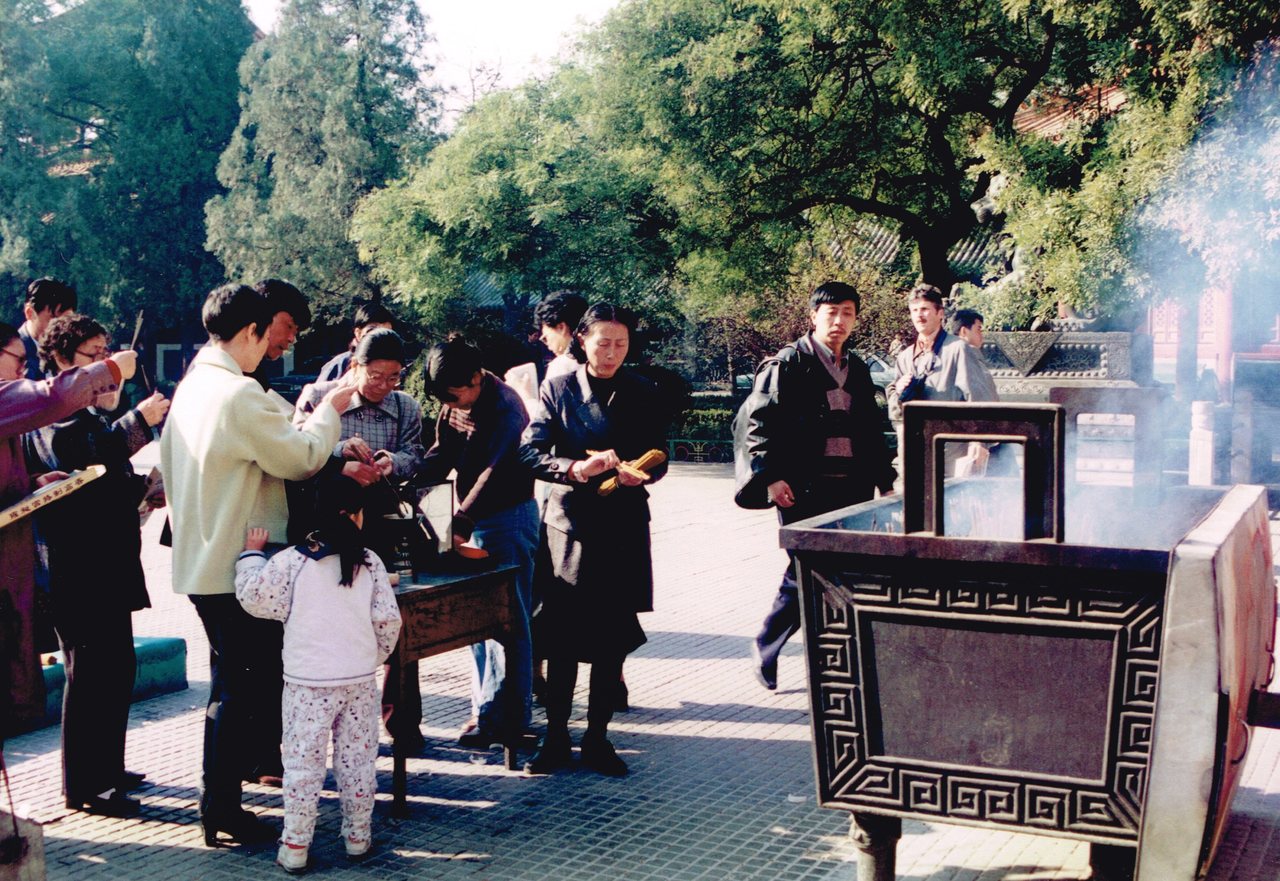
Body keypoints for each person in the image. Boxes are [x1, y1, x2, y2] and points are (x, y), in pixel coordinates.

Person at [160, 283, 351, 846]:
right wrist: (330, 412)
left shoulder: (192, 386)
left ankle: (220, 802)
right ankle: (220, 808)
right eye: (267, 336)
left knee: (231, 685)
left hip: (204, 562)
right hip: (241, 567)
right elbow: (302, 458)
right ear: (250, 331)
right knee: (241, 691)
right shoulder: (237, 394)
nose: (271, 347)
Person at [25, 314, 169, 816]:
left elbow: (102, 480)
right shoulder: (54, 414)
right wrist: (140, 422)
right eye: (95, 356)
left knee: (116, 668)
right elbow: (88, 461)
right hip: (78, 571)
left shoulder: (84, 415)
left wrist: (142, 490)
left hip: (104, 566)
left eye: (109, 353)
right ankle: (87, 786)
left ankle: (108, 767)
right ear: (64, 361)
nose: (108, 368)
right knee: (90, 675)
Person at [518, 303, 669, 777]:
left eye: (621, 344)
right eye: (603, 343)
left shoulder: (643, 390)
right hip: (571, 527)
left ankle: (598, 738)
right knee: (562, 639)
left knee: (610, 641)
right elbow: (530, 451)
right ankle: (555, 736)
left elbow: (659, 454)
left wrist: (642, 473)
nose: (612, 353)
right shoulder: (559, 387)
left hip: (623, 525)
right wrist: (575, 468)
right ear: (581, 340)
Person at [733, 281, 896, 691]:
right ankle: (766, 645)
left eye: (847, 313)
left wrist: (886, 483)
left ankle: (831, 656)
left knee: (842, 571)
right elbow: (758, 424)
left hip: (852, 487)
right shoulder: (789, 363)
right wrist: (770, 477)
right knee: (805, 569)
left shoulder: (858, 368)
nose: (839, 321)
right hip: (803, 487)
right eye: (831, 313)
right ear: (813, 317)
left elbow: (871, 431)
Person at [236, 475, 401, 874]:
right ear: (355, 516)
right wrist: (370, 657)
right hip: (359, 681)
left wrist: (251, 556)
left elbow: (255, 599)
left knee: (303, 764)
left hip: (307, 684)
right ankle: (358, 838)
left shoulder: (291, 561)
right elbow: (387, 621)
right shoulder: (370, 561)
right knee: (358, 761)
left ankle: (295, 845)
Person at [0, 323, 135, 737]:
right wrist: (111, 370)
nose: (22, 372)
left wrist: (31, 485)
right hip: (69, 565)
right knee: (90, 674)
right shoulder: (33, 405)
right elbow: (53, 397)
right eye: (16, 361)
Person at [293, 328, 425, 748]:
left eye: (394, 377)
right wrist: (338, 457)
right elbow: (295, 451)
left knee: (395, 616)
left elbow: (415, 454)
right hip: (328, 522)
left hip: (383, 522)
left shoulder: (405, 407)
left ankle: (403, 723)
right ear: (355, 367)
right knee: (334, 619)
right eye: (375, 376)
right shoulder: (320, 397)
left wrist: (391, 463)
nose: (384, 386)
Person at [421, 337, 537, 748]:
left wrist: (461, 522)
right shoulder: (454, 400)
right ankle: (485, 712)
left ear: (476, 378)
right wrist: (409, 488)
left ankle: (509, 720)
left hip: (508, 517)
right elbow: (442, 454)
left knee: (510, 622)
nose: (451, 405)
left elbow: (494, 471)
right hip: (475, 517)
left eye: (455, 396)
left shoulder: (506, 407)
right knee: (478, 621)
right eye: (444, 399)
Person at [888, 284, 998, 477]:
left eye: (925, 309)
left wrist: (979, 441)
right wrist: (898, 391)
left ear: (940, 313)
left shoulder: (959, 349)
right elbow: (895, 411)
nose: (919, 315)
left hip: (951, 453)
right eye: (914, 310)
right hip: (914, 454)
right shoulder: (905, 357)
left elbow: (980, 397)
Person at [503, 291, 588, 415]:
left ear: (561, 327)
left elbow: (546, 419)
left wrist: (525, 395)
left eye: (546, 337)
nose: (547, 344)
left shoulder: (563, 365)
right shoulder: (597, 358)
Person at [246, 278, 312, 396]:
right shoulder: (231, 374)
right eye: (289, 326)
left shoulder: (255, 374)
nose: (291, 339)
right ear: (264, 316)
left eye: (295, 333)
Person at [316, 303, 395, 383]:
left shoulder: (394, 365)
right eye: (372, 331)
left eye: (386, 332)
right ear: (358, 333)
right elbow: (319, 390)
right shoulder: (340, 364)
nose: (380, 337)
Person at [17, 278, 78, 380]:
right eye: (54, 321)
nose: (62, 329)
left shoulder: (75, 353)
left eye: (67, 321)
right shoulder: (12, 354)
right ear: (29, 313)